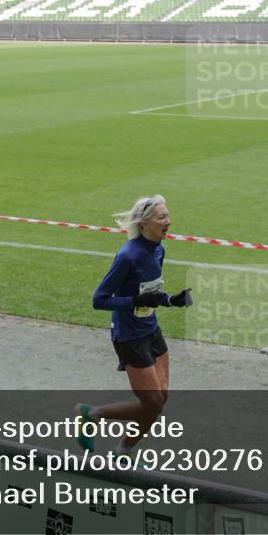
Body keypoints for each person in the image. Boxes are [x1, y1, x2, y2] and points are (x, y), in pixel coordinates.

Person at [77, 195, 192, 457]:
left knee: (159, 402)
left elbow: (151, 292)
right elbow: (99, 300)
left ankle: (120, 454)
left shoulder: (159, 249)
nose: (169, 222)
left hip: (151, 329)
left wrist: (172, 300)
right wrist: (136, 301)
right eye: (162, 217)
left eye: (168, 215)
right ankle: (92, 414)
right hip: (129, 336)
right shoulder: (128, 255)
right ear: (145, 224)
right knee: (151, 403)